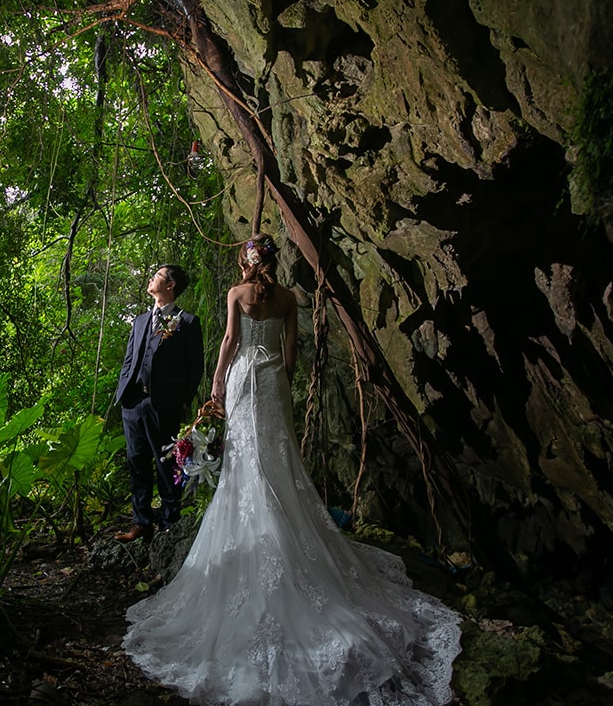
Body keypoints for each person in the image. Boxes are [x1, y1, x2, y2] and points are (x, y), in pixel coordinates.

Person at [123, 235, 461, 705]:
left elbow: (229, 341)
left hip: (244, 376)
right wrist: (284, 375)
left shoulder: (236, 295)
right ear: (273, 262)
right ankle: (288, 522)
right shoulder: (287, 298)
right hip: (273, 376)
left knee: (247, 456)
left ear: (246, 262)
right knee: (277, 454)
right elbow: (292, 346)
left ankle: (261, 525)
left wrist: (219, 381)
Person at [114, 264, 205, 542]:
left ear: (171, 285)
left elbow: (195, 367)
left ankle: (169, 523)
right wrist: (123, 391)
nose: (152, 278)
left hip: (163, 405)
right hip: (133, 402)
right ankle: (141, 523)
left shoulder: (186, 321)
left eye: (158, 275)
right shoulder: (140, 320)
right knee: (136, 462)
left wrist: (181, 401)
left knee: (166, 465)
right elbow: (130, 359)